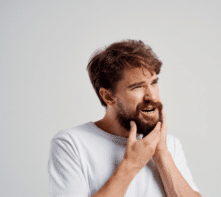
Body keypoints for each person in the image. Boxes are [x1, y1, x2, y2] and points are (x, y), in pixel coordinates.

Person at [48, 39, 202, 197]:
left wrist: (161, 155)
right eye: (137, 86)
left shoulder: (169, 145)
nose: (152, 96)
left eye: (154, 82)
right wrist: (131, 164)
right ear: (108, 97)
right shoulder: (71, 144)